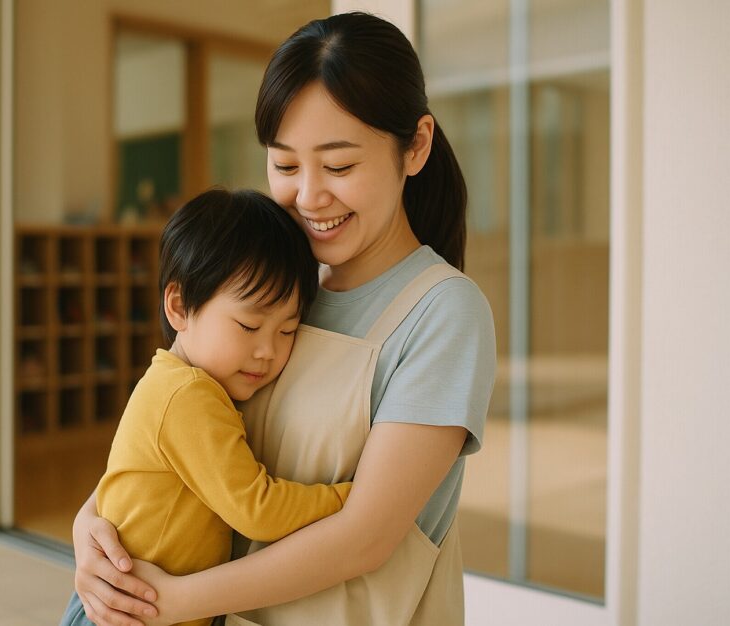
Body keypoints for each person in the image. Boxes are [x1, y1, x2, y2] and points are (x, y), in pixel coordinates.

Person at [70, 12, 496, 626]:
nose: (309, 196)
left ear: (417, 146)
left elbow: (367, 537)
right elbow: (178, 429)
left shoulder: (444, 313)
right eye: (286, 166)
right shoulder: (279, 290)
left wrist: (176, 601)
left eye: (340, 166)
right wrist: (92, 533)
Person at [60, 188, 352, 626]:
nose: (267, 351)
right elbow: (258, 509)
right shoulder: (188, 396)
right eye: (249, 325)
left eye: (288, 330)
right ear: (179, 307)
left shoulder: (178, 383)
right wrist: (349, 497)